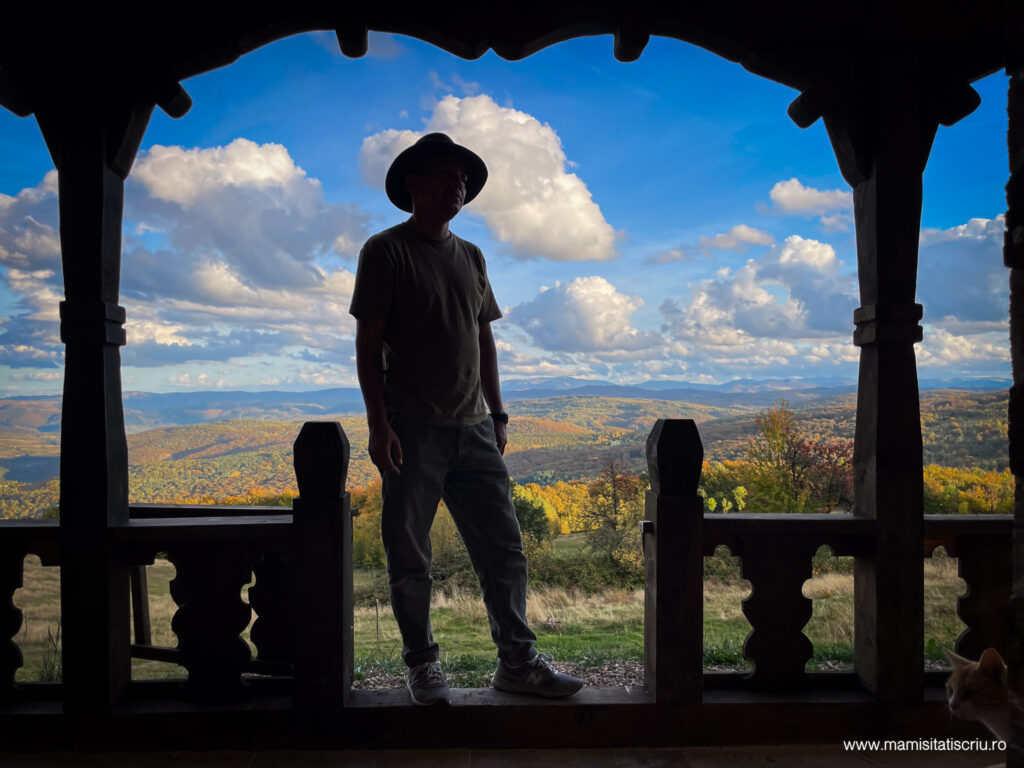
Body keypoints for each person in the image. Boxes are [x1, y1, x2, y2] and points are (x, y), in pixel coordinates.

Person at [349, 133, 582, 705]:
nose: (459, 185)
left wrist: (498, 414)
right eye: (446, 174)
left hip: (474, 428)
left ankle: (518, 663)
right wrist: (379, 425)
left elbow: (484, 339)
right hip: (412, 429)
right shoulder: (385, 251)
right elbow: (367, 346)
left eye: (463, 178)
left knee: (504, 550)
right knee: (410, 557)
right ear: (413, 184)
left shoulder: (473, 256)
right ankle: (422, 664)